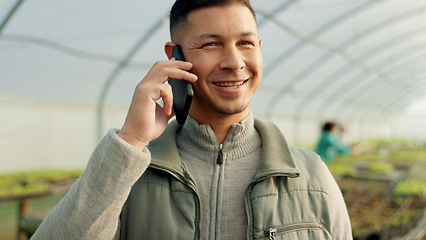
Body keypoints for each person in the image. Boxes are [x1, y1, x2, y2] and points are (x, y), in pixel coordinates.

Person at [31, 0, 352, 239]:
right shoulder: (128, 174)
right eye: (211, 44)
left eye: (245, 43)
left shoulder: (312, 177)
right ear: (175, 56)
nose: (234, 62)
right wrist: (131, 140)